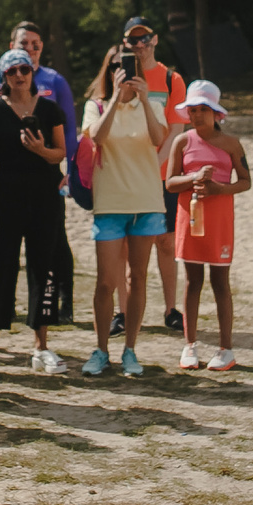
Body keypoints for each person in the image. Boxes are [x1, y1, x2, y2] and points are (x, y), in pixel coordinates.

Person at [0, 45, 70, 378]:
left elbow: (60, 153)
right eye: (11, 71)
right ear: (3, 77)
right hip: (5, 199)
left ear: (32, 72)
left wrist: (40, 149)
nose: (18, 76)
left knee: (44, 269)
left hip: (44, 198)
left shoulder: (49, 108)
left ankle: (41, 345)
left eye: (24, 70)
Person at [79, 43, 171, 379]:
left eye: (129, 65)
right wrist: (117, 99)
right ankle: (101, 349)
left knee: (138, 278)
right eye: (118, 65)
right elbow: (98, 138)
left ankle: (130, 349)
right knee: (105, 282)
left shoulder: (154, 104)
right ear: (109, 70)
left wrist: (144, 99)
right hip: (110, 205)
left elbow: (159, 138)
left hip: (146, 203)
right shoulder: (96, 106)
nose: (125, 70)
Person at [163, 80, 250, 369]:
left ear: (217, 114)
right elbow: (171, 183)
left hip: (220, 220)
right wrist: (195, 178)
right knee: (192, 281)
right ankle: (190, 345)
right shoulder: (182, 141)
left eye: (203, 109)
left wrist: (218, 189)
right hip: (191, 218)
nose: (197, 115)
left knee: (220, 282)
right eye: (193, 109)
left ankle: (226, 348)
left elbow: (245, 181)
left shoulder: (231, 144)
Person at [116, 17, 191, 333]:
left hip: (160, 175)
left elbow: (177, 131)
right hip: (126, 174)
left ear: (156, 39)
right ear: (125, 45)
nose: (140, 45)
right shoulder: (118, 77)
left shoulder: (172, 79)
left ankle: (171, 309)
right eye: (134, 40)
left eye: (145, 38)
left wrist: (155, 168)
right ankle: (123, 313)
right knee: (125, 246)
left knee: (165, 242)